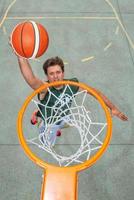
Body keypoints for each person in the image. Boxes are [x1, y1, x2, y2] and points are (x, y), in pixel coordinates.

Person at [15, 55, 128, 146]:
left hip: (64, 115)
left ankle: (50, 120)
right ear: (47, 76)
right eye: (51, 73)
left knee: (65, 122)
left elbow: (96, 93)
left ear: (63, 72)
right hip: (48, 121)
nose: (55, 76)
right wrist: (21, 57)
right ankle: (38, 114)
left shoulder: (72, 85)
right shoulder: (45, 89)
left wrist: (113, 108)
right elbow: (31, 80)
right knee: (48, 143)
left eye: (58, 72)